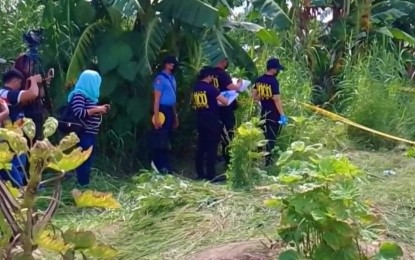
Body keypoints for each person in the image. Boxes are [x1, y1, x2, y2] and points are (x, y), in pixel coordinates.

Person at [0, 68, 42, 187]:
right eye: (20, 83)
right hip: (10, 139)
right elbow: (33, 93)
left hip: (12, 138)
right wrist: (33, 81)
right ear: (15, 81)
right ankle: (17, 193)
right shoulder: (6, 93)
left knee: (17, 166)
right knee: (15, 168)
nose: (20, 86)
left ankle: (16, 192)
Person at [68, 70, 109, 187]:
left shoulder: (89, 97)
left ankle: (84, 183)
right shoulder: (79, 94)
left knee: (87, 159)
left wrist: (100, 109)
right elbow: (78, 112)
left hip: (90, 133)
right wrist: (97, 109)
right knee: (84, 159)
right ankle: (82, 184)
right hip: (83, 133)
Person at [192, 66, 228, 181]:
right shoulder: (211, 89)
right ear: (209, 76)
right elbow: (225, 101)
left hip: (200, 119)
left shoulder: (196, 88)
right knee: (211, 148)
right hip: (212, 120)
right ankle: (211, 174)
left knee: (201, 147)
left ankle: (200, 173)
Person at [252, 58, 288, 166]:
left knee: (263, 137)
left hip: (264, 112)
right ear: (274, 69)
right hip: (274, 113)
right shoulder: (273, 81)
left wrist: (263, 96)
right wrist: (282, 115)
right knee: (271, 138)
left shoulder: (259, 80)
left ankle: (258, 159)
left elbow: (254, 97)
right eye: (277, 69)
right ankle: (268, 162)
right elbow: (276, 99)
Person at [13, 53, 54, 141]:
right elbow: (30, 96)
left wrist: (47, 81)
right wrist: (34, 81)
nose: (32, 67)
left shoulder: (32, 78)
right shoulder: (18, 80)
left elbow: (39, 94)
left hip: (37, 114)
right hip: (25, 117)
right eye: (30, 65)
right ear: (22, 66)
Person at [150, 55, 179, 174]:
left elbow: (173, 98)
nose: (172, 65)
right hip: (161, 110)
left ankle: (166, 164)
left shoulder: (172, 78)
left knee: (167, 138)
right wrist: (156, 116)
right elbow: (156, 99)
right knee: (161, 137)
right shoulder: (160, 79)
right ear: (166, 64)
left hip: (170, 110)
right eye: (170, 63)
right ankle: (160, 165)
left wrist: (176, 115)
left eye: (173, 64)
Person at [211, 58, 242, 166]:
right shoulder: (223, 74)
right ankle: (228, 159)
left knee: (214, 134)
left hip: (213, 109)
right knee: (228, 133)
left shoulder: (210, 74)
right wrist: (239, 83)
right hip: (225, 108)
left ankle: (213, 158)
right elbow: (233, 88)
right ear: (223, 61)